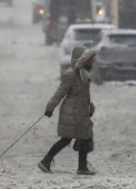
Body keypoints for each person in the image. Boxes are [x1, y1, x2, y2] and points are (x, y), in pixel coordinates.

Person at [39, 46, 96, 175]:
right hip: (71, 112)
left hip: (81, 112)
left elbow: (84, 96)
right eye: (91, 58)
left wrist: (90, 108)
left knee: (84, 138)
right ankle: (46, 161)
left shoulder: (83, 74)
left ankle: (82, 167)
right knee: (67, 139)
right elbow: (60, 92)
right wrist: (50, 107)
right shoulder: (71, 74)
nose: (93, 60)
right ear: (83, 59)